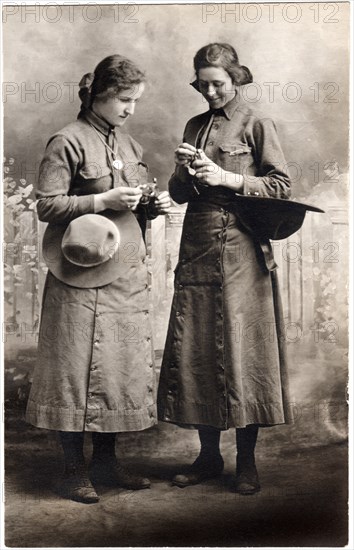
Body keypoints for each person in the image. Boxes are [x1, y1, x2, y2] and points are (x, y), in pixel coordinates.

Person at [26, 54, 171, 503]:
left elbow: (130, 208)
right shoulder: (66, 141)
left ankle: (106, 464)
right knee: (73, 370)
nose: (131, 109)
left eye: (135, 101)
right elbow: (47, 205)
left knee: (115, 370)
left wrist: (150, 206)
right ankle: (72, 471)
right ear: (101, 95)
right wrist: (101, 199)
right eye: (124, 100)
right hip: (78, 275)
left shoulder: (129, 146)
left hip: (122, 274)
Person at [157, 43, 293, 495]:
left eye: (218, 83)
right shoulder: (194, 125)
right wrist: (185, 173)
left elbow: (281, 184)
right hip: (196, 248)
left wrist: (227, 177)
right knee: (196, 349)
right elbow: (178, 195)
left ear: (235, 78)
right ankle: (209, 457)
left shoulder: (257, 122)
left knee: (241, 353)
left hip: (241, 251)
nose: (211, 91)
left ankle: (247, 462)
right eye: (203, 83)